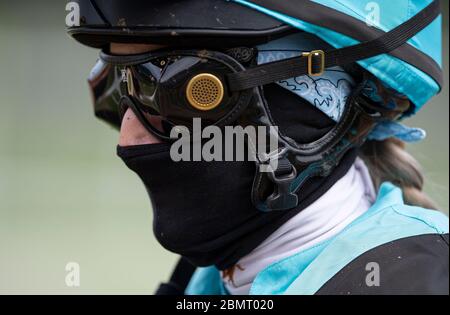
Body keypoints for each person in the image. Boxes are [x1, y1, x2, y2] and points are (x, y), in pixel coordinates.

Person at [68, 0, 449, 295]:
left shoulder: (416, 281)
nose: (127, 140)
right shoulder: (204, 281)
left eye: (177, 91)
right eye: (119, 86)